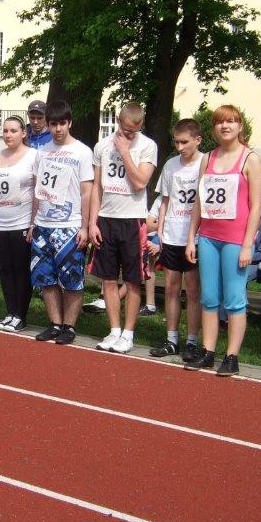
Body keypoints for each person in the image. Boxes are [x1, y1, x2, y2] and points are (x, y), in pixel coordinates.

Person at [185, 105, 261, 376]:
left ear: (240, 126)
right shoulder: (207, 158)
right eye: (220, 122)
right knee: (208, 297)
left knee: (233, 299)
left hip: (235, 240)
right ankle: (208, 351)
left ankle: (232, 356)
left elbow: (256, 205)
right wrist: (191, 237)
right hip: (208, 237)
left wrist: (247, 245)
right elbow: (199, 201)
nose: (225, 126)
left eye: (231, 121)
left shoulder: (250, 159)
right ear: (214, 128)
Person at [88, 102, 158, 353]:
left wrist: (125, 151)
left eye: (133, 131)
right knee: (107, 279)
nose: (129, 135)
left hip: (133, 220)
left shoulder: (147, 145)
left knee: (132, 281)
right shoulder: (101, 146)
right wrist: (92, 222)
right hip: (106, 219)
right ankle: (114, 330)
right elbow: (97, 186)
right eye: (125, 130)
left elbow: (140, 182)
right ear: (118, 120)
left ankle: (128, 334)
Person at [30, 99, 94, 345]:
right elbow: (37, 189)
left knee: (72, 279)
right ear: (48, 125)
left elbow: (87, 192)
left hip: (70, 225)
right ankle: (55, 323)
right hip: (43, 224)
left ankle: (70, 326)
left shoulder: (82, 152)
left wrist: (85, 227)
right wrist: (33, 222)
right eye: (53, 124)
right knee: (45, 277)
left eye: (62, 124)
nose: (57, 129)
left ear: (70, 123)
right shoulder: (42, 151)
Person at [148, 118, 203, 361]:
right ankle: (172, 339)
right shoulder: (171, 165)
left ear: (197, 140)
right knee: (171, 288)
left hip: (195, 237)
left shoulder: (205, 163)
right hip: (171, 234)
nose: (180, 147)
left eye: (184, 142)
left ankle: (192, 341)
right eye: (176, 142)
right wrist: (160, 232)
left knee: (192, 290)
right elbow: (165, 201)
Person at [0, 116, 36, 331]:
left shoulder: (33, 156)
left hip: (21, 222)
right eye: (5, 131)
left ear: (23, 133)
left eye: (13, 130)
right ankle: (10, 313)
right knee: (6, 270)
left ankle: (20, 315)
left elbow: (37, 192)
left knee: (21, 269)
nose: (8, 135)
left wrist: (33, 223)